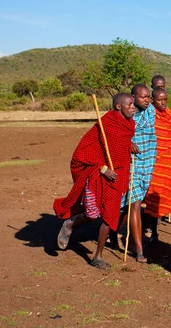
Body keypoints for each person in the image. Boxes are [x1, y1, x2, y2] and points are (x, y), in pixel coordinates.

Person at [54, 93, 136, 269]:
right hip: (99, 176)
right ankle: (69, 224)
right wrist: (104, 169)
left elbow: (119, 145)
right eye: (129, 104)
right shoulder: (105, 124)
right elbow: (84, 151)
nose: (133, 107)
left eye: (133, 104)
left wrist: (129, 146)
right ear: (118, 106)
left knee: (109, 216)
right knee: (92, 214)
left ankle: (97, 256)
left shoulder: (129, 125)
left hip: (119, 177)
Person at [143, 89, 171, 245]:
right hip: (151, 161)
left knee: (160, 197)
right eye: (159, 100)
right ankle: (152, 230)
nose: (163, 103)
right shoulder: (148, 116)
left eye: (165, 99)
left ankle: (154, 231)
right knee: (150, 198)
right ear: (152, 100)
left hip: (167, 163)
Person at [121, 83, 157, 263]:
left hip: (148, 163)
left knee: (124, 207)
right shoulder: (126, 114)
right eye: (143, 97)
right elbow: (117, 135)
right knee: (135, 205)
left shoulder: (150, 110)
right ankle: (139, 250)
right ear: (133, 97)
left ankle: (115, 234)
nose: (147, 99)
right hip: (132, 165)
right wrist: (127, 144)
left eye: (148, 96)